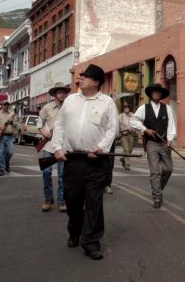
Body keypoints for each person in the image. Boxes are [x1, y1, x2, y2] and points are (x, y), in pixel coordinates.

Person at [51, 64, 118, 260]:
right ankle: (75, 231)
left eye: (85, 77)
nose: (80, 79)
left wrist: (101, 147)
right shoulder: (71, 100)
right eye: (80, 76)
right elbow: (59, 125)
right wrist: (57, 147)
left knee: (93, 202)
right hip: (73, 160)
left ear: (96, 82)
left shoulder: (107, 102)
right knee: (72, 200)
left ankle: (91, 241)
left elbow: (112, 129)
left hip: (96, 161)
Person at [130, 83, 177, 209]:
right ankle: (157, 196)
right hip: (151, 143)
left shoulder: (167, 108)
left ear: (161, 94)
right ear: (151, 94)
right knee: (155, 171)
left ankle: (158, 188)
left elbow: (171, 125)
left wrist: (170, 139)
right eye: (154, 91)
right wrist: (145, 130)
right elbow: (133, 121)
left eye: (159, 92)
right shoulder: (143, 108)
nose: (156, 93)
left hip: (164, 143)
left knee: (168, 169)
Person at [39, 82, 70, 212]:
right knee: (46, 172)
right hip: (49, 144)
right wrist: (43, 131)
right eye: (59, 92)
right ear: (55, 94)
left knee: (63, 174)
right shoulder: (47, 108)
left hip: (63, 145)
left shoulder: (69, 107)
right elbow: (40, 123)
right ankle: (48, 199)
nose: (62, 94)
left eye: (64, 92)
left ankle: (62, 201)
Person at [0, 101, 16, 176]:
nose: (6, 106)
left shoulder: (12, 114)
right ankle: (1, 169)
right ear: (1, 106)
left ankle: (6, 163)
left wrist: (12, 122)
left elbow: (16, 125)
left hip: (10, 136)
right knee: (0, 153)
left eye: (7, 105)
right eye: (5, 104)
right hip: (1, 135)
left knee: (10, 152)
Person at [117, 102, 136, 171]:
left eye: (127, 107)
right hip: (123, 135)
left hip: (131, 134)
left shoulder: (133, 115)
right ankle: (127, 164)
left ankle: (123, 157)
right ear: (123, 108)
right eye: (125, 107)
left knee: (130, 150)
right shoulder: (120, 116)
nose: (126, 108)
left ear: (129, 108)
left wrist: (134, 129)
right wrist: (119, 132)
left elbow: (136, 124)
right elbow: (116, 125)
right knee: (126, 149)